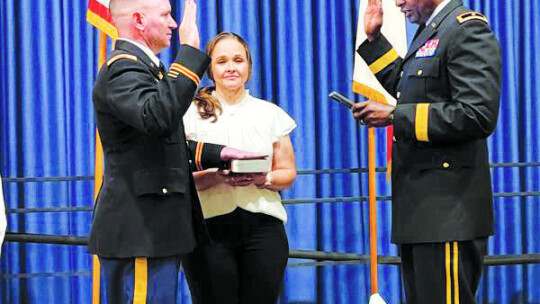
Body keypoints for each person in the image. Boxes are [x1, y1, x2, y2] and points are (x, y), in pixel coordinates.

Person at [88, 1, 264, 302]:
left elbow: (163, 142)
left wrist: (219, 153)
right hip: (140, 232)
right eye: (166, 15)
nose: (173, 24)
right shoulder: (123, 68)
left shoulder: (142, 67)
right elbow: (158, 117)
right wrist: (190, 53)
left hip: (152, 231)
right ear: (140, 20)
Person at [353, 0, 501, 303]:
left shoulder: (466, 28)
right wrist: (373, 41)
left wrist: (395, 117)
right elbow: (409, 87)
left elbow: (476, 115)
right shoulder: (431, 31)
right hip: (422, 212)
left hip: (447, 212)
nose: (398, 3)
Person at [181, 32, 297, 304]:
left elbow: (288, 172)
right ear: (210, 68)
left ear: (249, 67)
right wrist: (216, 176)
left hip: (263, 230)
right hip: (208, 230)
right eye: (222, 61)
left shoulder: (270, 113)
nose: (231, 67)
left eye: (238, 60)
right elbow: (179, 176)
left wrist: (263, 177)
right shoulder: (188, 113)